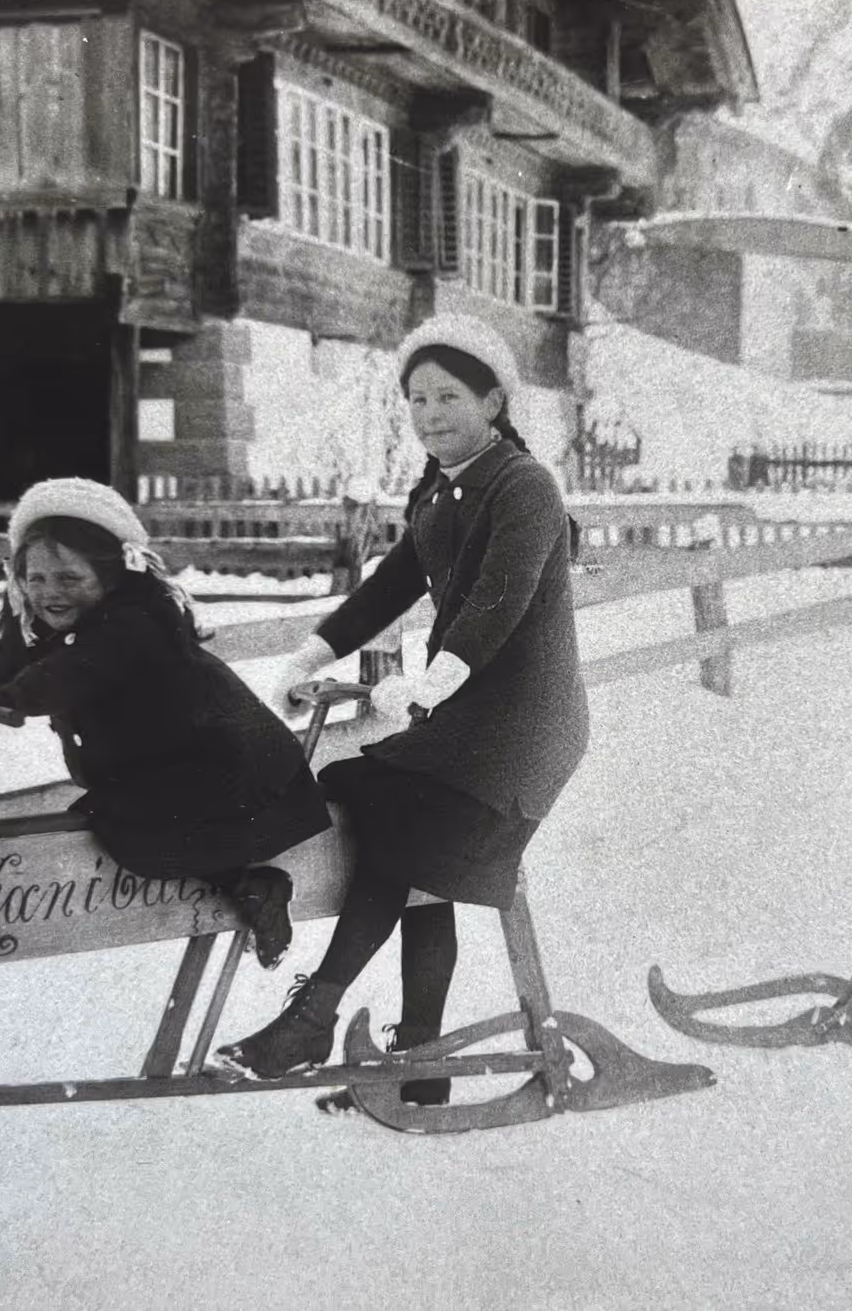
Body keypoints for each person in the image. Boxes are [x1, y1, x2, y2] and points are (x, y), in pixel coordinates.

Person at [212, 314, 591, 1103]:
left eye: (448, 396)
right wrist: (310, 656)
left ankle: (317, 1017)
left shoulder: (524, 486)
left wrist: (432, 680)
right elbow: (389, 588)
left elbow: (497, 603)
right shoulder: (438, 488)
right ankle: (420, 1064)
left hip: (523, 724)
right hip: (465, 717)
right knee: (401, 842)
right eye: (415, 399)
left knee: (391, 824)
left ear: (494, 402)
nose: (429, 415)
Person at [0, 477, 329, 969]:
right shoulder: (55, 626)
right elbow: (0, 665)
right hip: (173, 762)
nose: (50, 593)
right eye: (37, 579)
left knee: (127, 827)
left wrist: (14, 699)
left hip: (226, 760)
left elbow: (70, 671)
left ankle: (252, 885)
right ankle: (250, 886)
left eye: (70, 579)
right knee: (132, 822)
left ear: (111, 576)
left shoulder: (131, 623)